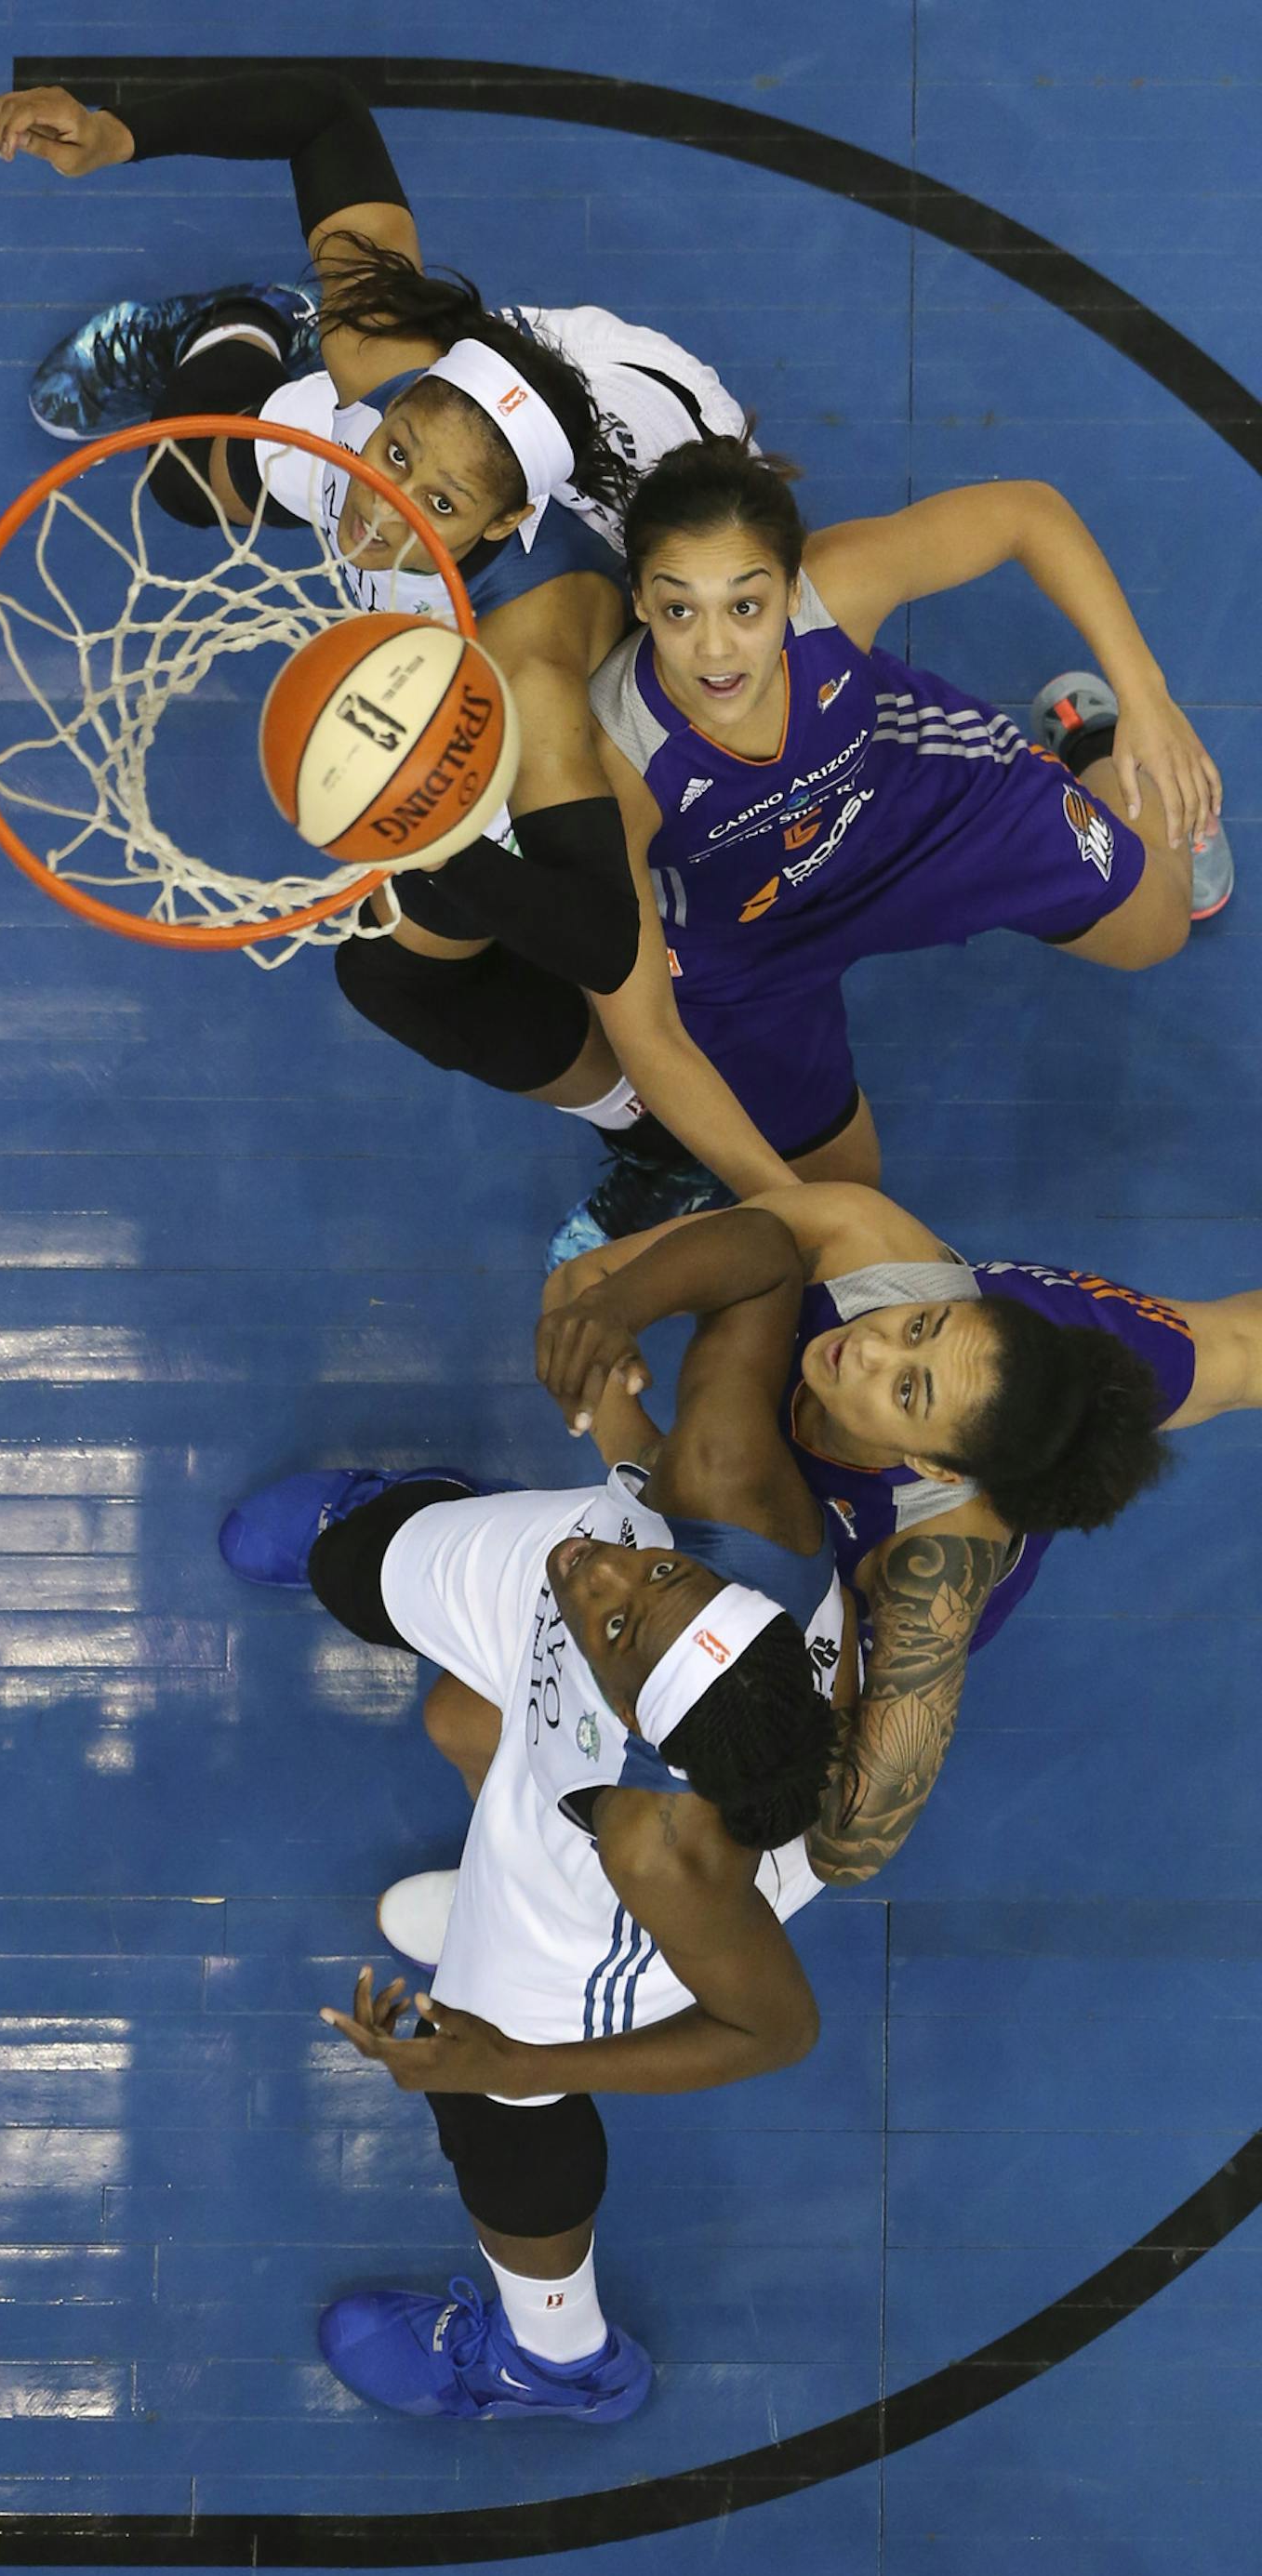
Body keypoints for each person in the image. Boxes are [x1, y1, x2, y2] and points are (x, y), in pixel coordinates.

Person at [0, 70, 805, 1222]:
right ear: (400, 390)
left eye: (439, 499)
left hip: (661, 459)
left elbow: (600, 929)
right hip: (510, 416)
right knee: (185, 481)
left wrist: (429, 842)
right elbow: (319, 113)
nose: (384, 505)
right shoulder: (383, 368)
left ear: (502, 523)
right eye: (400, 449)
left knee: (393, 973)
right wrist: (121, 129)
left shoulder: (531, 651)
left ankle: (643, 1130)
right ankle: (243, 325)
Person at [217, 1208, 853, 2424]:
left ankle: (554, 2359)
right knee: (414, 1599)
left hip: (601, 1921)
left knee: (483, 2084)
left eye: (622, 1618)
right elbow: (767, 1255)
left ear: (639, 1730)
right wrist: (622, 1313)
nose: (606, 1580)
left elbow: (772, 2031)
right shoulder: (719, 1504)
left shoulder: (651, 1851)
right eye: (661, 1575)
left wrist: (518, 2055)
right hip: (629, 1669)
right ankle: (384, 1518)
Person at [548, 433, 1234, 1260]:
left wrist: (1147, 694)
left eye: (745, 605)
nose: (717, 649)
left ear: (791, 589)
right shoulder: (615, 763)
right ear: (642, 601)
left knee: (1158, 927)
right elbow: (648, 1030)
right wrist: (795, 1211)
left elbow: (1026, 512)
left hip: (918, 813)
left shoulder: (836, 593)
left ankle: (1095, 738)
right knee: (843, 1190)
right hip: (743, 942)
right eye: (679, 609)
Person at [540, 1175, 1261, 1884]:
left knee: (1232, 1362)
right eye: (917, 1326)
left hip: (873, 1561)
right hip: (1016, 1349)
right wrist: (616, 1365)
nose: (868, 1349)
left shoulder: (932, 1570)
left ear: (932, 1465)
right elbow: (579, 1281)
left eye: (906, 1388)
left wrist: (652, 1483)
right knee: (1228, 1351)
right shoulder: (863, 1241)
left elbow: (847, 1848)